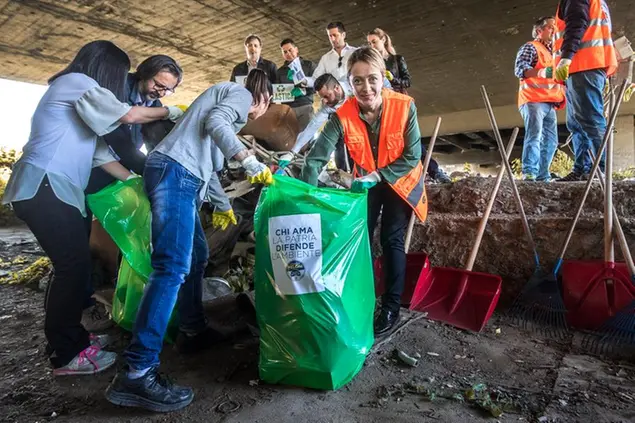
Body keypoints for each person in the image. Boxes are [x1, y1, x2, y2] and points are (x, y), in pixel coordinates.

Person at [1, 40, 182, 377]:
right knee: (73, 267)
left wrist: (141, 183)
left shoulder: (83, 107)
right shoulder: (77, 84)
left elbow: (104, 157)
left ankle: (71, 339)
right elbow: (128, 114)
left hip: (55, 189)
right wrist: (171, 111)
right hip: (44, 185)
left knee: (73, 267)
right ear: (106, 68)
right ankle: (66, 355)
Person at [105, 69, 274, 413]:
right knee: (172, 268)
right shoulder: (240, 96)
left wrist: (224, 206)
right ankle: (137, 372)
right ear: (265, 98)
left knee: (196, 256)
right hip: (175, 174)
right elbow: (217, 122)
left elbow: (209, 168)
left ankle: (193, 331)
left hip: (181, 175)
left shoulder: (221, 104)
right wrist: (248, 159)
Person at [299, 48, 428, 336]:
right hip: (365, 182)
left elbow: (412, 155)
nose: (366, 88)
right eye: (358, 81)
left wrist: (378, 175)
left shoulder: (405, 106)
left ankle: (391, 307)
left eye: (372, 79)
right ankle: (365, 300)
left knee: (391, 238)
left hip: (400, 180)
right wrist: (307, 200)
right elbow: (315, 159)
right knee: (361, 238)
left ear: (382, 77)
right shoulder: (342, 116)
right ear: (349, 83)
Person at [81, 54, 184, 333]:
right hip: (90, 165)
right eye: (158, 85)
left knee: (126, 229)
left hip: (117, 166)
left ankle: (115, 281)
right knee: (80, 237)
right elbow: (120, 139)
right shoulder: (116, 87)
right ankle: (82, 298)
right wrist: (152, 174)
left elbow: (153, 144)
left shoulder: (156, 103)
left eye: (167, 90)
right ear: (143, 73)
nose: (160, 92)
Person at [553, 0, 617, 181]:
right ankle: (582, 169)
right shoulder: (599, 2)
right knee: (577, 123)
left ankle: (601, 169)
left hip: (584, 64)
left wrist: (566, 57)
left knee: (590, 120)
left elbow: (576, 24)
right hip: (584, 66)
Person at [514, 17, 565, 181]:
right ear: (539, 31)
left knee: (551, 140)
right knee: (534, 135)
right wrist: (543, 72)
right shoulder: (531, 47)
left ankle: (542, 175)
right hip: (533, 100)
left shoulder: (554, 53)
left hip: (549, 103)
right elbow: (520, 69)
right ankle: (530, 173)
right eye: (550, 27)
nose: (554, 30)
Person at [276, 38, 317, 131]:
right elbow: (277, 94)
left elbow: (318, 84)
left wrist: (303, 91)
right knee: (290, 139)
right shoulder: (279, 72)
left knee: (306, 137)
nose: (288, 54)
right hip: (288, 109)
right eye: (285, 52)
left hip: (305, 106)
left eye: (290, 50)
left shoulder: (309, 65)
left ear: (296, 49)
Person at [367, 28, 411, 95]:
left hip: (399, 98)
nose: (372, 46)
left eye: (374, 42)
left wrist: (393, 79)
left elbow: (408, 82)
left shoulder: (397, 59)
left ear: (383, 39)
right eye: (370, 43)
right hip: (382, 99)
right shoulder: (372, 63)